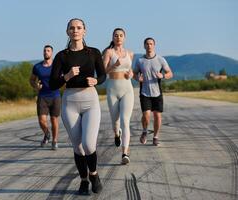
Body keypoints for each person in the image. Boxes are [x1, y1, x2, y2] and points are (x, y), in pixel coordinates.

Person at [49, 18, 106, 195]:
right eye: (72, 28)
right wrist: (66, 76)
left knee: (89, 144)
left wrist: (96, 80)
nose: (75, 30)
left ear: (84, 31)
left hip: (90, 101)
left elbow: (103, 75)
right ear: (67, 32)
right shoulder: (61, 56)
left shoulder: (94, 53)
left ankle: (94, 174)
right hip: (70, 102)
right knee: (77, 146)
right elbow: (52, 84)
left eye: (79, 28)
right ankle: (83, 180)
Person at [102, 28, 134, 165]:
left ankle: (124, 154)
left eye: (121, 35)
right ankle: (117, 134)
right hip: (112, 89)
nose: (119, 37)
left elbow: (130, 70)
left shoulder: (130, 53)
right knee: (115, 121)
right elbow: (103, 71)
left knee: (125, 121)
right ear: (113, 37)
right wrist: (114, 65)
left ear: (124, 38)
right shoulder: (109, 52)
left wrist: (131, 74)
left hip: (127, 88)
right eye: (116, 35)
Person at [133, 37, 173, 146]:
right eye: (147, 44)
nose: (149, 46)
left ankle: (155, 137)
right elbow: (134, 73)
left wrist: (163, 75)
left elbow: (170, 73)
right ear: (144, 46)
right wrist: (137, 78)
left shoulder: (160, 59)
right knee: (146, 115)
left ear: (154, 45)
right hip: (144, 92)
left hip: (157, 93)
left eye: (151, 44)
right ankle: (145, 131)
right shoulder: (140, 60)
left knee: (157, 116)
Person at [30, 45, 61, 150]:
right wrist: (36, 86)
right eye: (44, 51)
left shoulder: (57, 66)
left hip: (55, 96)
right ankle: (47, 133)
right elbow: (31, 80)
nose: (46, 52)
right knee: (41, 120)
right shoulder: (37, 67)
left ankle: (55, 141)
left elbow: (63, 78)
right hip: (42, 96)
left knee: (54, 120)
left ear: (52, 53)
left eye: (48, 51)